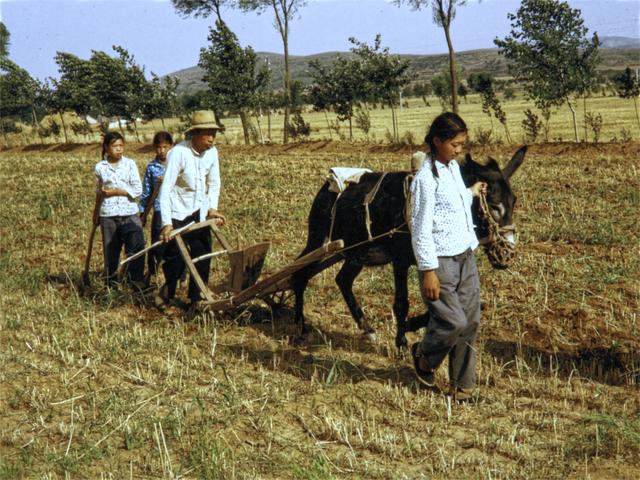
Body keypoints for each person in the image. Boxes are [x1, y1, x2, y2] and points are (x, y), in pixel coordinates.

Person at [409, 112, 487, 401]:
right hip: (440, 261)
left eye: (462, 144)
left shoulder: (452, 168)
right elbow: (420, 228)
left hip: (465, 254)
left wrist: (471, 192)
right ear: (437, 141)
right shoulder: (425, 180)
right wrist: (428, 270)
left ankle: (462, 387)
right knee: (452, 322)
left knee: (471, 321)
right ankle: (424, 356)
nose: (459, 150)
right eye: (454, 144)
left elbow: (453, 202)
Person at [158, 110, 226, 307]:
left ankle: (196, 299)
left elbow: (214, 184)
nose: (212, 139)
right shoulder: (178, 153)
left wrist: (212, 209)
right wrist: (167, 224)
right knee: (175, 261)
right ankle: (166, 296)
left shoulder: (212, 153)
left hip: (200, 211)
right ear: (195, 134)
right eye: (208, 134)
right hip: (178, 211)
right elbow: (166, 189)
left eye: (214, 134)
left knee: (203, 255)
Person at [93, 132, 146, 287]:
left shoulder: (130, 164)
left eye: (121, 146)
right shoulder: (100, 167)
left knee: (136, 246)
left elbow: (137, 189)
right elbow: (99, 192)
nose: (119, 149)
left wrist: (117, 192)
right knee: (110, 250)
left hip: (129, 212)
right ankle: (111, 282)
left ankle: (136, 281)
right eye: (115, 146)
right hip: (108, 214)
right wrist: (96, 213)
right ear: (106, 148)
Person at [139, 131, 173, 281]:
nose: (162, 151)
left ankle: (180, 276)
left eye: (165, 147)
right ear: (155, 148)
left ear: (171, 146)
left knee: (177, 244)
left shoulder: (176, 164)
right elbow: (147, 191)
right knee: (157, 242)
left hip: (176, 209)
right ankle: (153, 273)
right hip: (159, 209)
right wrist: (142, 212)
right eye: (159, 148)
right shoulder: (152, 167)